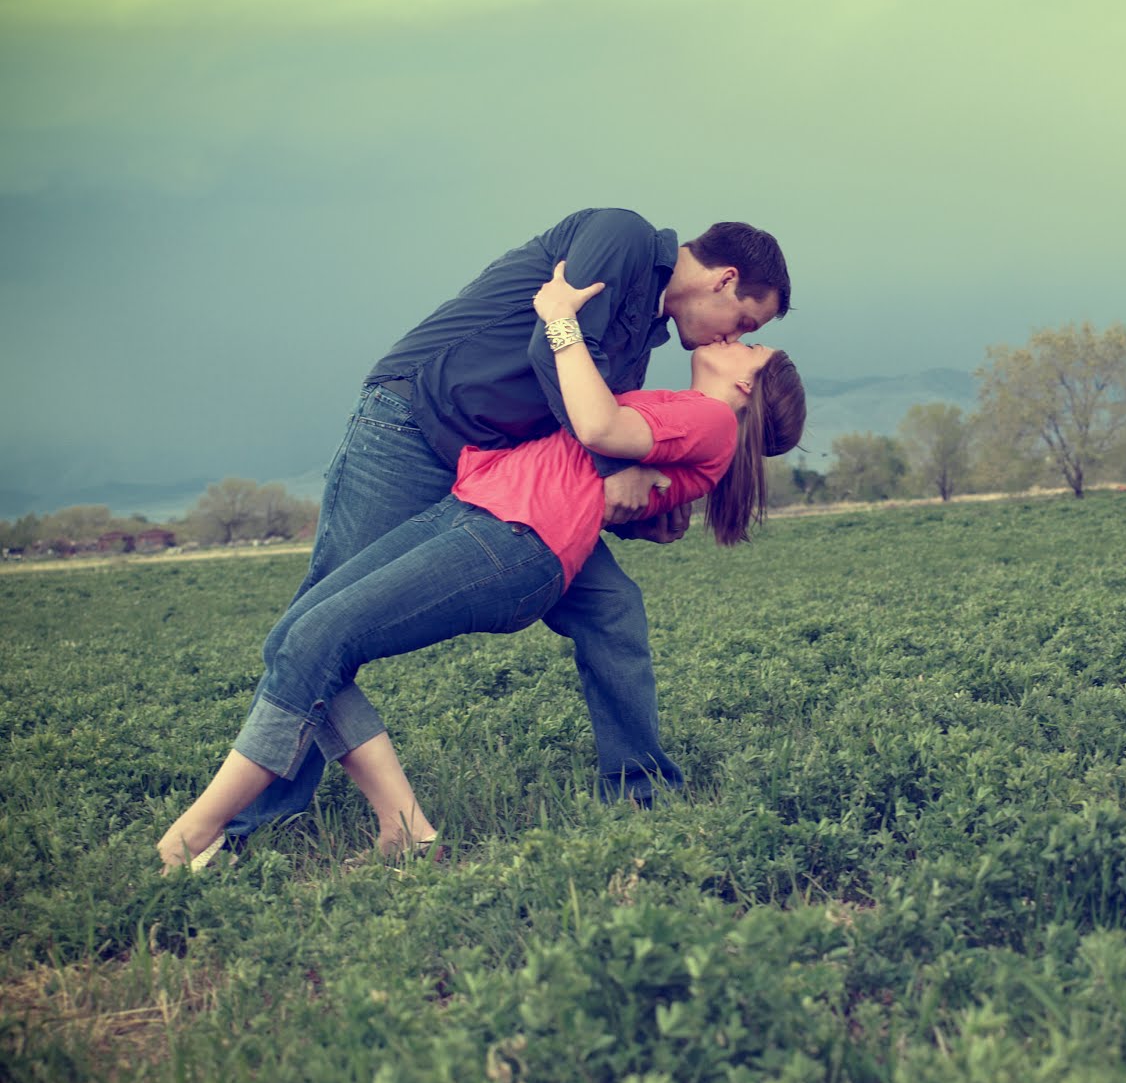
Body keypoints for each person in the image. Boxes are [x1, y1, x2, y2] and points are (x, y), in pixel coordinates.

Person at [158, 263, 805, 867]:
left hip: (513, 541)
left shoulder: (711, 421)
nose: (738, 340)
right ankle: (402, 826)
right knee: (301, 641)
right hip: (479, 512)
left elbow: (600, 427)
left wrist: (558, 318)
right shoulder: (691, 414)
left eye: (752, 347)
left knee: (313, 641)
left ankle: (189, 839)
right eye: (749, 331)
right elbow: (618, 465)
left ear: (748, 385)